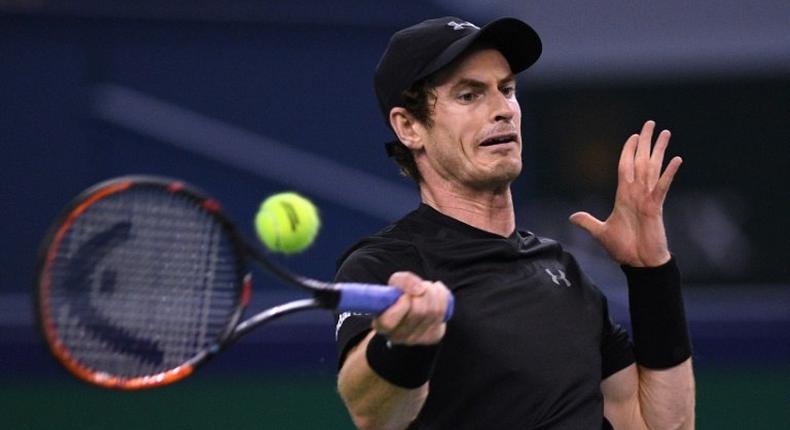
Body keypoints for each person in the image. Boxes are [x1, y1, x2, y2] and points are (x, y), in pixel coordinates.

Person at [334, 16, 695, 429]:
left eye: (507, 90)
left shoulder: (564, 272)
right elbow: (373, 414)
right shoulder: (387, 266)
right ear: (409, 127)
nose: (503, 110)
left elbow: (662, 426)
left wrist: (652, 273)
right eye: (469, 95)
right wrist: (403, 343)